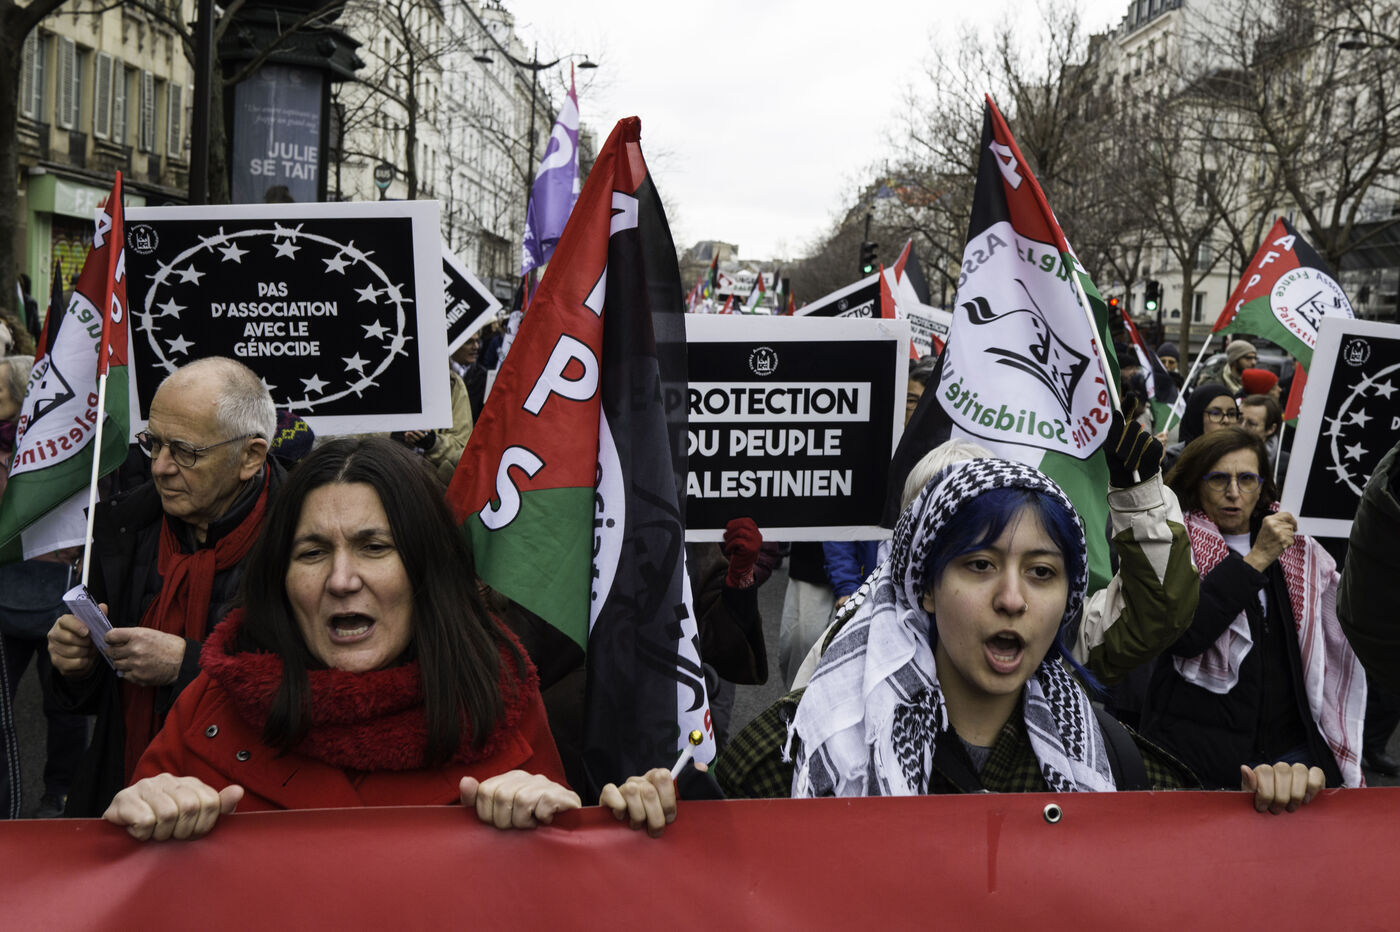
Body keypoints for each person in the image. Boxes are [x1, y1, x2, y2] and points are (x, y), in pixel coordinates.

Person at [101, 438, 675, 841]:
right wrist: (136, 813)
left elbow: (556, 898)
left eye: (374, 548)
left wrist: (570, 825)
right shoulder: (211, 704)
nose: (341, 580)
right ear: (280, 577)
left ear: (426, 568)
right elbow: (127, 889)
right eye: (312, 552)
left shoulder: (500, 700)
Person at [788, 457, 1320, 810]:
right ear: (924, 581)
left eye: (1042, 571)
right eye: (979, 564)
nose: (1012, 599)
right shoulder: (796, 748)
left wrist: (1263, 810)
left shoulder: (1120, 769)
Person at [47, 357, 283, 816]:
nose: (159, 467)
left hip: (244, 808)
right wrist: (77, 665)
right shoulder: (123, 527)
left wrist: (187, 665)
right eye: (153, 443)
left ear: (250, 457)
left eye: (185, 451)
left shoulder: (304, 542)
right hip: (122, 790)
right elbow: (96, 701)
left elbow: (321, 694)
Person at [1143, 428, 1365, 790]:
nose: (1234, 492)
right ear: (1197, 484)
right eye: (1219, 479)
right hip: (1201, 755)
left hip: (1290, 749)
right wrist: (1256, 558)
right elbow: (1184, 636)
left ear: (1262, 487)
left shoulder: (1296, 548)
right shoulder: (1173, 541)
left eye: (1247, 479)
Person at [1160, 382, 1237, 475]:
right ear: (1197, 418)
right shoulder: (1171, 462)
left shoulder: (1246, 456)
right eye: (1216, 413)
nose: (1226, 420)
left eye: (1231, 414)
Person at [1238, 394, 1288, 479]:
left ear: (1271, 429)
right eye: (1239, 420)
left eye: (1251, 424)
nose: (1241, 427)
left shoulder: (1284, 466)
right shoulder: (1220, 451)